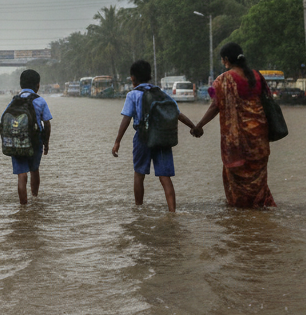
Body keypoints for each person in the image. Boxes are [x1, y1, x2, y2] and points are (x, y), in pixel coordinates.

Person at [192, 43, 275, 208]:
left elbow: (215, 104)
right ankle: (259, 208)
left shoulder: (224, 80)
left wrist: (199, 125)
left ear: (226, 60)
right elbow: (268, 99)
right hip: (259, 139)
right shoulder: (257, 76)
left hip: (237, 143)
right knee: (258, 179)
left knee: (237, 179)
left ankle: (241, 212)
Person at [112, 60, 198, 212]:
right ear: (149, 76)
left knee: (139, 174)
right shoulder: (161, 93)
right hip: (162, 137)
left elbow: (126, 119)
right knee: (165, 177)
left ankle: (139, 210)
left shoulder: (133, 95)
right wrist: (193, 127)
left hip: (143, 138)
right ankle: (172, 212)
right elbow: (177, 114)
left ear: (133, 78)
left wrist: (117, 141)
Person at [8, 69, 53, 205]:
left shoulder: (14, 100)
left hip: (17, 141)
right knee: (34, 170)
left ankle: (23, 207)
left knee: (21, 175)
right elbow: (47, 123)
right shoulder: (40, 101)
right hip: (35, 142)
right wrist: (46, 143)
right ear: (37, 85)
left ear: (21, 84)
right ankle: (35, 199)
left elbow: (4, 121)